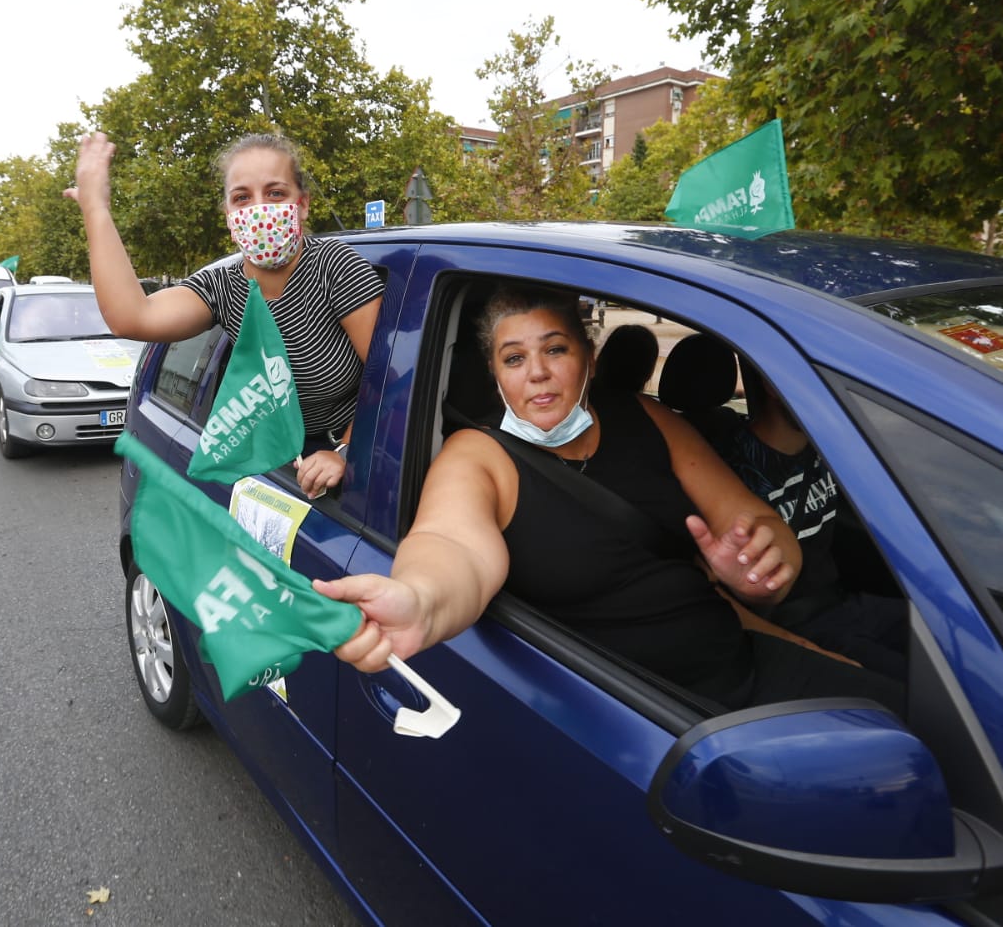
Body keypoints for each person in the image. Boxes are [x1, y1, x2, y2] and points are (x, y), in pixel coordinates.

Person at [314, 282, 905, 714]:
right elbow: (451, 545)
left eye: (555, 350)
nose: (537, 373)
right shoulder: (478, 456)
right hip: (642, 710)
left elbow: (750, 519)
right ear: (497, 378)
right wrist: (421, 599)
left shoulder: (646, 417)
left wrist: (763, 563)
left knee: (919, 721)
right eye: (514, 359)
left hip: (741, 657)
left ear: (588, 361)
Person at [65, 131, 384, 497]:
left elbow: (389, 380)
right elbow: (133, 317)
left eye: (276, 193)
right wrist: (96, 209)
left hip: (361, 454)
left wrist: (344, 450)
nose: (259, 209)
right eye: (242, 198)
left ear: (304, 204)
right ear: (229, 216)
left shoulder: (335, 267)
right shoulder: (222, 286)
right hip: (277, 463)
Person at [706, 361, 909, 679]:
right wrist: (801, 647)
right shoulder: (728, 475)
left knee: (953, 638)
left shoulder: (827, 448)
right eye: (816, 386)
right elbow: (710, 597)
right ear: (773, 386)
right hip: (790, 629)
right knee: (921, 692)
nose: (829, 400)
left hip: (844, 606)